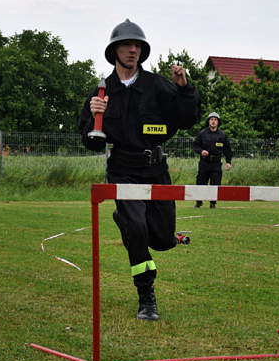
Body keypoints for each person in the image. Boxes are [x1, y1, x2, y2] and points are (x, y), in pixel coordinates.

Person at [79, 19, 201, 321]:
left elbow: (187, 118)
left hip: (157, 169)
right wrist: (95, 116)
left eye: (137, 46)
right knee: (137, 229)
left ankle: (126, 219)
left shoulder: (157, 85)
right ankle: (146, 296)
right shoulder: (101, 92)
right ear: (114, 51)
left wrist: (184, 87)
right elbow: (91, 143)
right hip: (122, 170)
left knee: (161, 238)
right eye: (126, 45)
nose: (132, 49)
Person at [192, 112, 232, 208]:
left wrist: (228, 162)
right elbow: (195, 146)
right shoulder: (202, 133)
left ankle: (213, 203)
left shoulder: (222, 135)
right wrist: (201, 151)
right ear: (208, 121)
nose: (213, 121)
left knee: (215, 184)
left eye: (215, 120)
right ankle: (199, 201)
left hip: (216, 163)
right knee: (201, 182)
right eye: (211, 119)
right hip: (204, 162)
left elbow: (227, 150)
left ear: (218, 122)